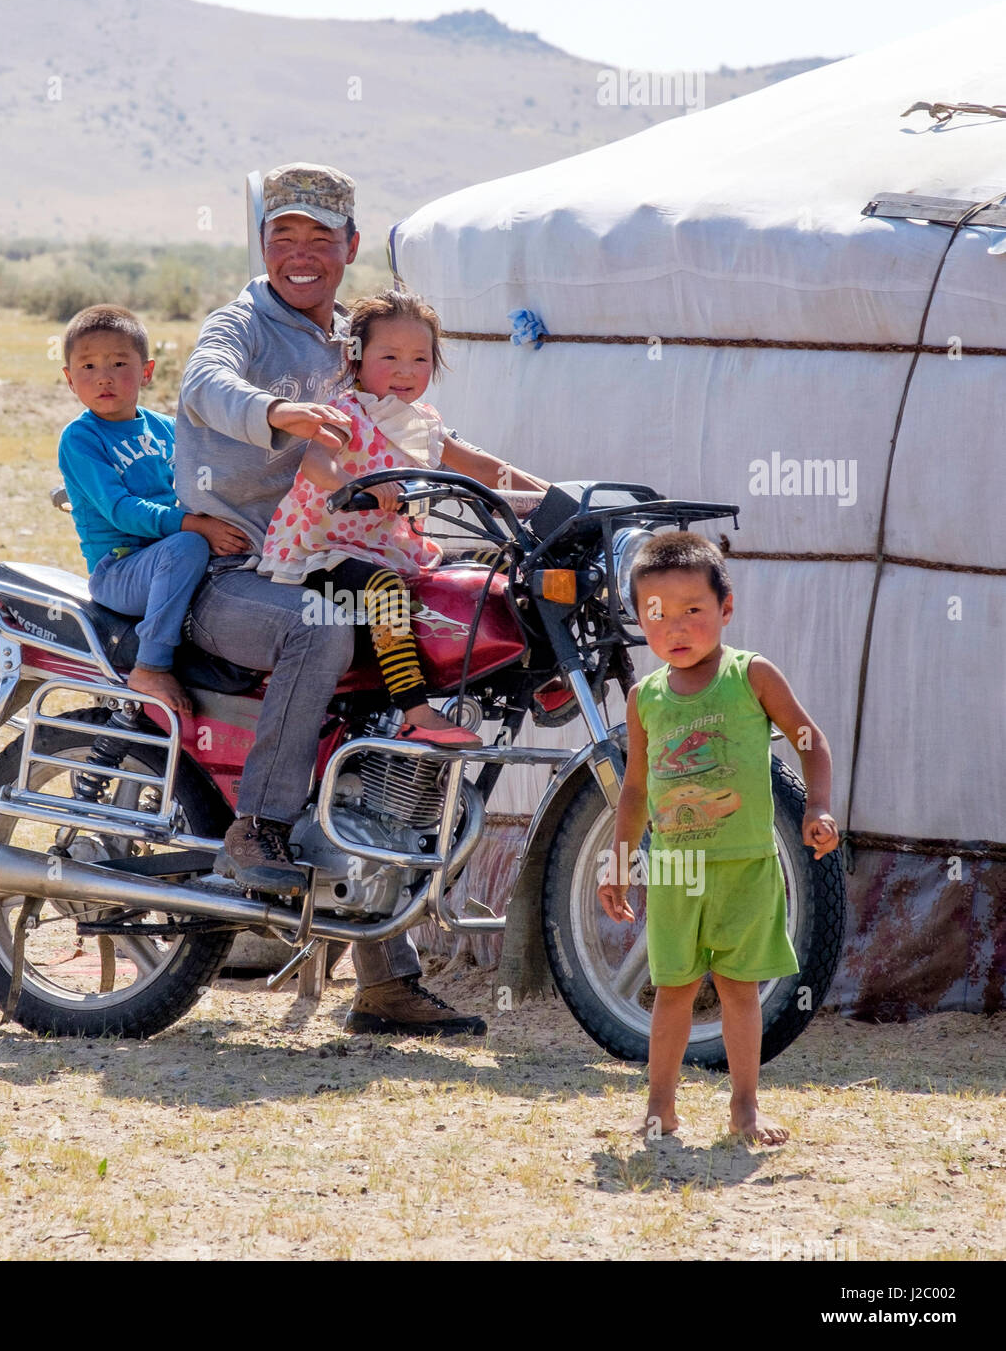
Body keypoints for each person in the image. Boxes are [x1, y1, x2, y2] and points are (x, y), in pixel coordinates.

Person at [175, 162, 545, 1036]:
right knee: (330, 628)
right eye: (282, 236)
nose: (300, 254)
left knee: (403, 647)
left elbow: (439, 443)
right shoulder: (238, 329)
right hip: (239, 575)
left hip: (344, 553)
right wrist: (281, 414)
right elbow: (203, 387)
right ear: (261, 244)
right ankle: (257, 829)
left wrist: (547, 497)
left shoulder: (363, 338)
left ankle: (383, 973)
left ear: (348, 247)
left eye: (319, 238)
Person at [598, 531, 840, 1144]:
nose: (674, 627)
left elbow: (810, 739)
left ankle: (745, 1106)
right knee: (672, 990)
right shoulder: (644, 697)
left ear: (726, 608)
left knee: (738, 990)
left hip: (746, 866)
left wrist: (819, 807)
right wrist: (619, 863)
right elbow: (633, 792)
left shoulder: (750, 675)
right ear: (638, 619)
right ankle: (660, 1106)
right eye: (656, 614)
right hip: (677, 873)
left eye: (692, 610)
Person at [259, 287, 543, 747]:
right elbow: (316, 464)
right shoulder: (343, 412)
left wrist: (557, 496)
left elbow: (487, 468)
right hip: (322, 555)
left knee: (501, 564)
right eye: (389, 357)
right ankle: (415, 710)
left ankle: (542, 674)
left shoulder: (424, 421)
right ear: (355, 358)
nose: (406, 371)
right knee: (384, 591)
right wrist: (358, 486)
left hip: (389, 548)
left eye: (420, 359)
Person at [56, 304, 249, 715]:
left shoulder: (166, 428)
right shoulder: (80, 439)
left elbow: (201, 484)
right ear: (70, 380)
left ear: (146, 370)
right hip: (121, 569)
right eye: (87, 366)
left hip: (170, 554)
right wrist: (193, 525)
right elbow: (120, 509)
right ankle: (151, 665)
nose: (103, 377)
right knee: (189, 548)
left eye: (119, 363)